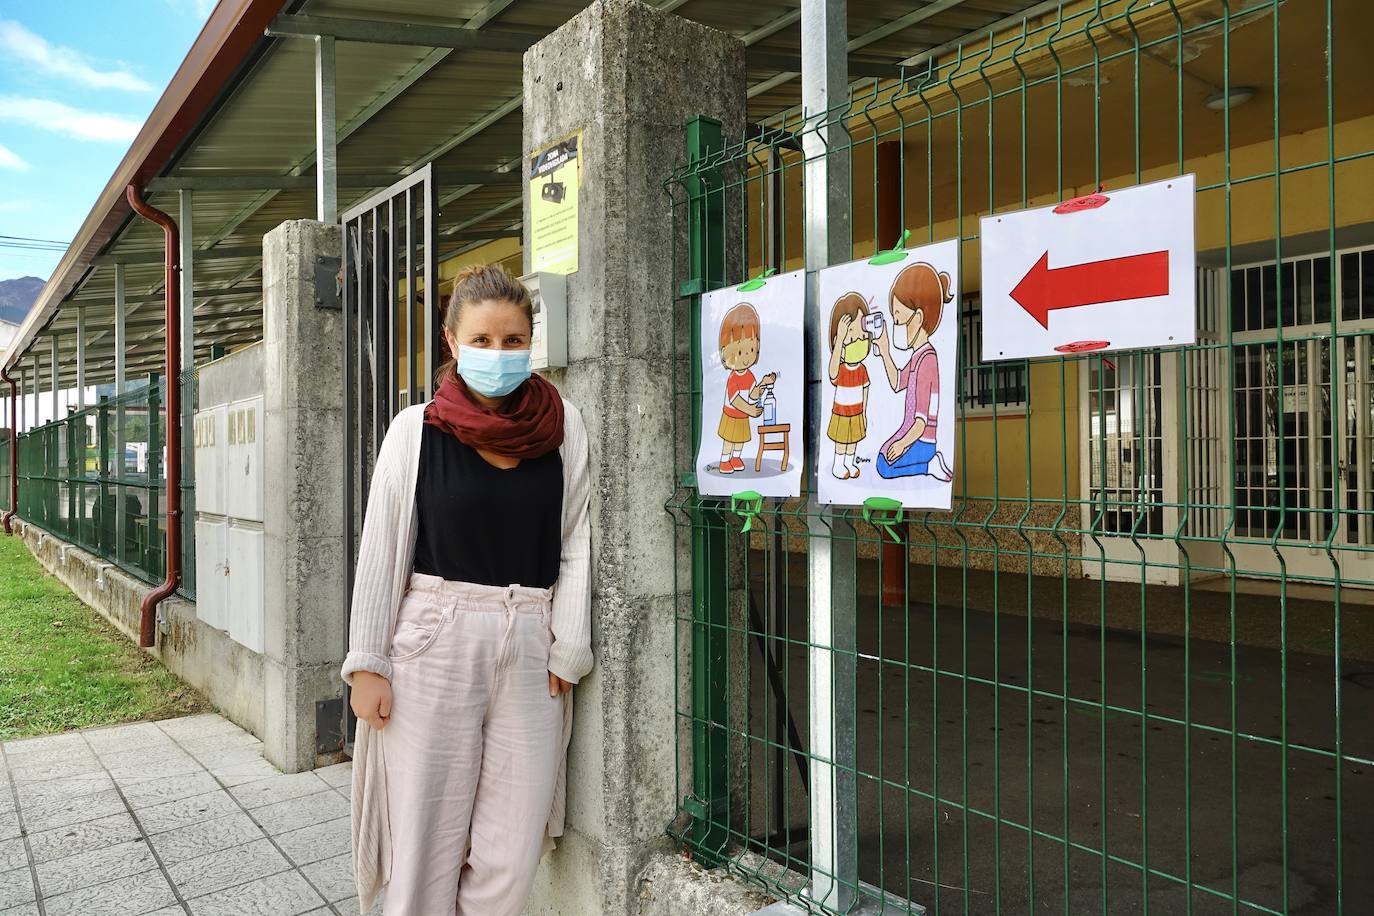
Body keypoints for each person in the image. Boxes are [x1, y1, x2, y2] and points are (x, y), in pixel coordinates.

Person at [343, 263, 593, 916]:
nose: (498, 354)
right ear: (452, 343)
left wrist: (568, 648)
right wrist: (367, 664)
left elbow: (577, 541)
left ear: (530, 343)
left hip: (532, 643)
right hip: (434, 636)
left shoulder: (563, 428)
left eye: (513, 341)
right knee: (424, 840)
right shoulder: (415, 431)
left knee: (512, 852)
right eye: (482, 340)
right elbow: (382, 551)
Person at [873, 261, 954, 482]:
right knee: (882, 458)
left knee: (883, 465)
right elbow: (898, 382)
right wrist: (885, 351)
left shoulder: (928, 360)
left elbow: (922, 421)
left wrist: (901, 444)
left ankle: (929, 464)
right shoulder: (918, 356)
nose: (896, 324)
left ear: (918, 318)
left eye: (898, 317)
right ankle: (928, 464)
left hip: (921, 439)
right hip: (911, 433)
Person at [715, 302, 776, 475]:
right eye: (740, 353)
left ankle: (735, 457)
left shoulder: (750, 376)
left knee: (740, 440)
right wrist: (750, 409)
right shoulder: (733, 378)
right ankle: (725, 460)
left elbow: (752, 394)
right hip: (731, 414)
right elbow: (735, 400)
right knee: (729, 439)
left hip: (743, 415)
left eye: (751, 349)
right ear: (726, 353)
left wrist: (762, 385)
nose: (746, 356)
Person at [826, 292, 871, 479]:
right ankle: (838, 463)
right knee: (841, 439)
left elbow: (866, 389)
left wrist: (865, 412)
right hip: (841, 412)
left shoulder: (862, 369)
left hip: (857, 411)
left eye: (862, 337)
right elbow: (832, 373)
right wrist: (840, 342)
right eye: (851, 339)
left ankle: (850, 462)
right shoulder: (841, 368)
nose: (858, 341)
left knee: (853, 439)